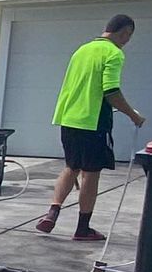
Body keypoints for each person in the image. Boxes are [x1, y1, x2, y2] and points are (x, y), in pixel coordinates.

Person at [35, 13, 143, 242]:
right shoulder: (114, 53)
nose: (127, 41)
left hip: (68, 117)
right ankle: (82, 228)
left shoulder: (81, 50)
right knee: (91, 174)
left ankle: (52, 212)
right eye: (128, 36)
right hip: (92, 121)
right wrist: (134, 115)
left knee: (71, 167)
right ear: (125, 32)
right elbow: (111, 91)